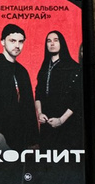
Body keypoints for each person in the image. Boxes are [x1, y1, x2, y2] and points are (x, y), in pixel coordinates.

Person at [0, 25, 41, 184]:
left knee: (20, 182)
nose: (17, 45)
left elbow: (28, 107)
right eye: (12, 40)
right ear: (2, 42)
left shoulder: (22, 71)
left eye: (21, 41)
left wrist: (34, 140)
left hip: (22, 139)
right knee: (2, 181)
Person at [36, 27, 84, 165]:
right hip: (47, 124)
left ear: (61, 43)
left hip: (67, 125)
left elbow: (77, 99)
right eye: (49, 41)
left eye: (55, 40)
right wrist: (39, 113)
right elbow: (38, 92)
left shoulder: (73, 67)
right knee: (46, 163)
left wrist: (61, 120)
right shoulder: (44, 66)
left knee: (65, 164)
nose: (52, 43)